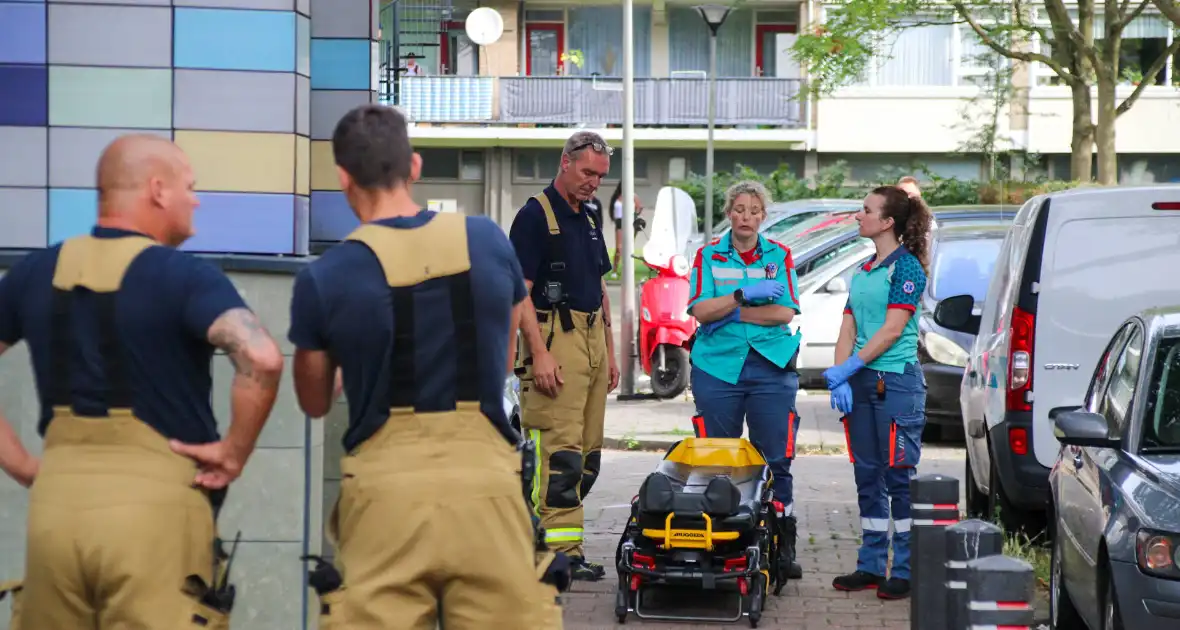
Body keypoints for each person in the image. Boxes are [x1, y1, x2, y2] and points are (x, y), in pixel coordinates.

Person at [288, 104, 560, 629]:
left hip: (384, 493)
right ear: (413, 167)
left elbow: (315, 399)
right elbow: (501, 359)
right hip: (486, 484)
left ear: (343, 177)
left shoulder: (327, 276)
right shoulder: (486, 241)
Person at [0, 133, 285, 628]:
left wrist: (23, 464)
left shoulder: (34, 272)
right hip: (155, 515)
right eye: (190, 187)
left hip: (56, 510)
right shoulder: (185, 276)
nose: (196, 200)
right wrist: (234, 452)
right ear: (157, 190)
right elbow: (262, 357)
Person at [509, 130, 619, 581]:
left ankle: (548, 540)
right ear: (565, 162)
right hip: (555, 340)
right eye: (587, 172)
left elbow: (601, 286)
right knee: (560, 456)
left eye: (600, 175)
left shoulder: (589, 214)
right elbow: (519, 296)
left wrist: (611, 354)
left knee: (588, 455)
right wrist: (539, 354)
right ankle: (558, 555)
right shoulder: (534, 216)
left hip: (592, 340)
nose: (594, 182)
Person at [686, 180, 804, 579]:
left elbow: (784, 313)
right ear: (728, 212)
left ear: (763, 216)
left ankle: (781, 543)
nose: (746, 217)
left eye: (754, 210)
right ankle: (720, 542)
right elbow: (700, 312)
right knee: (718, 460)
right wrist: (741, 296)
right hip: (717, 368)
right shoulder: (707, 255)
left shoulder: (780, 254)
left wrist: (729, 313)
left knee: (776, 460)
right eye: (739, 208)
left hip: (770, 365)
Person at [825, 185, 932, 600]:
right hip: (864, 383)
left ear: (887, 222)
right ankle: (871, 565)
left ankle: (903, 569)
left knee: (898, 478)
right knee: (867, 476)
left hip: (896, 383)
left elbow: (891, 330)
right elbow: (848, 326)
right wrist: (840, 373)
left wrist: (853, 365)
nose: (858, 216)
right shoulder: (865, 270)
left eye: (866, 210)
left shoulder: (906, 269)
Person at [609, 182, 643, 276]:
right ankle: (615, 270)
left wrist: (634, 216)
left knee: (629, 247)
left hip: (630, 222)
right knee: (619, 248)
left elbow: (639, 207)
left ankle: (629, 270)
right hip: (619, 222)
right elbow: (613, 208)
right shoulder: (617, 196)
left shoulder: (633, 196)